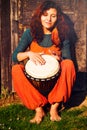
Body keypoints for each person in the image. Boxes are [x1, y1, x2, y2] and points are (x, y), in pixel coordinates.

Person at [12, 0, 76, 124]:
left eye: (53, 16)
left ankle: (54, 107)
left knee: (69, 65)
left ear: (58, 18)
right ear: (40, 16)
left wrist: (59, 57)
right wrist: (28, 53)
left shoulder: (62, 35)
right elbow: (15, 56)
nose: (48, 19)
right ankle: (38, 109)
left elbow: (68, 59)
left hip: (56, 83)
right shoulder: (30, 33)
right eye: (45, 15)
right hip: (35, 82)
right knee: (16, 69)